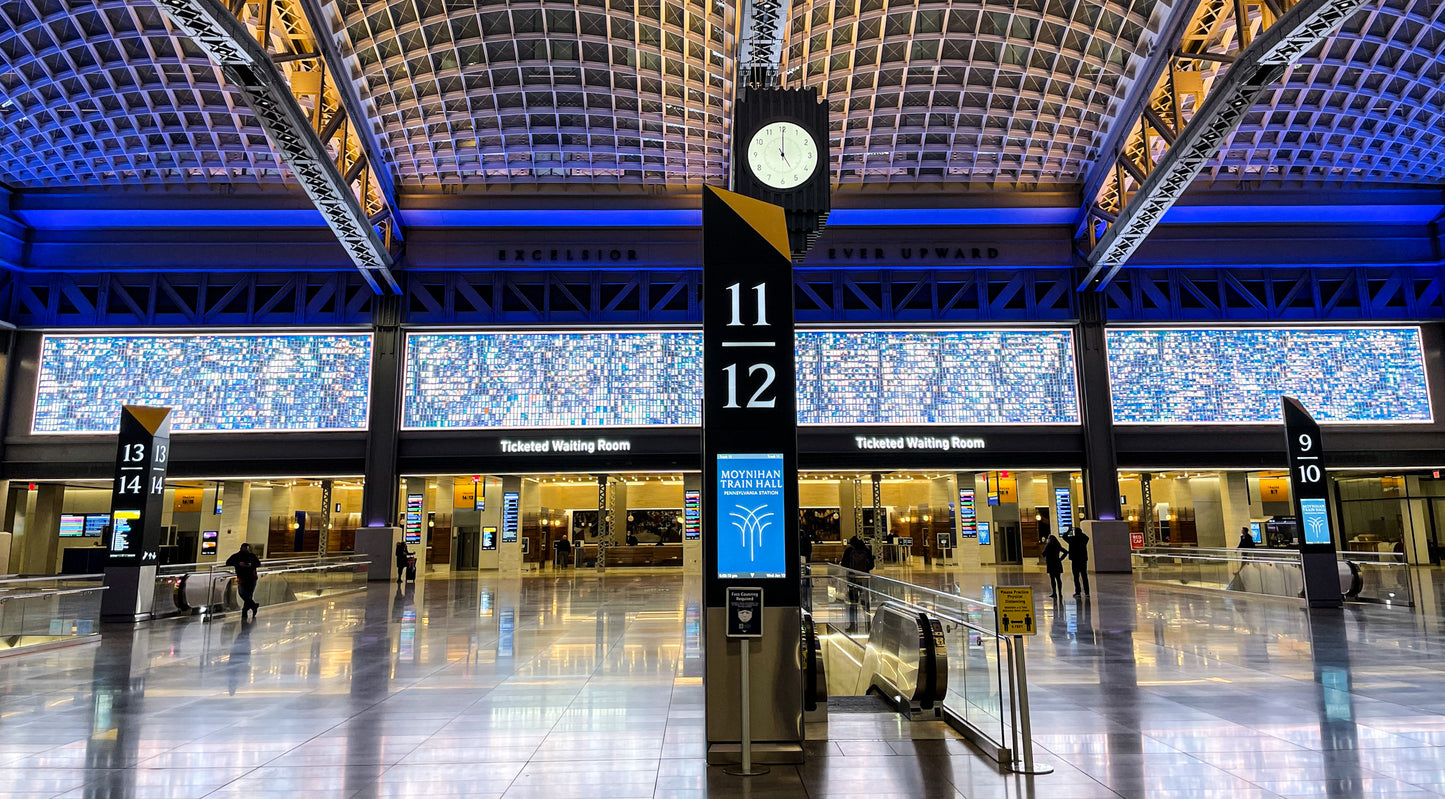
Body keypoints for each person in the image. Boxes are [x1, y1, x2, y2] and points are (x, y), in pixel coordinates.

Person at [225, 542, 262, 619]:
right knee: (243, 593)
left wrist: (250, 565)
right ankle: (253, 606)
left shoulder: (252, 556)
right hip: (243, 578)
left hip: (251, 578)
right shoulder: (237, 556)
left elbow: (258, 564)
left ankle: (245, 612)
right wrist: (239, 564)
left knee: (248, 595)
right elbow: (228, 562)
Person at [1064, 526, 1090, 597]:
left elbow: (1064, 536)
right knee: (1084, 576)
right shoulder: (1083, 539)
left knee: (1076, 577)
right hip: (1083, 559)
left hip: (1075, 560)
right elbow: (1087, 537)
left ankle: (1078, 592)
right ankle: (1087, 592)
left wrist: (1069, 530)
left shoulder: (1072, 539)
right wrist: (1080, 532)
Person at [1041, 531, 1066, 598]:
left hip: (1050, 563)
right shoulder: (1058, 545)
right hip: (1057, 562)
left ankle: (1054, 593)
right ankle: (1060, 593)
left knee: (1052, 579)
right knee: (1058, 579)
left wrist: (1046, 559)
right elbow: (1066, 552)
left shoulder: (1048, 546)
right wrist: (1061, 559)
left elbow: (1043, 553)